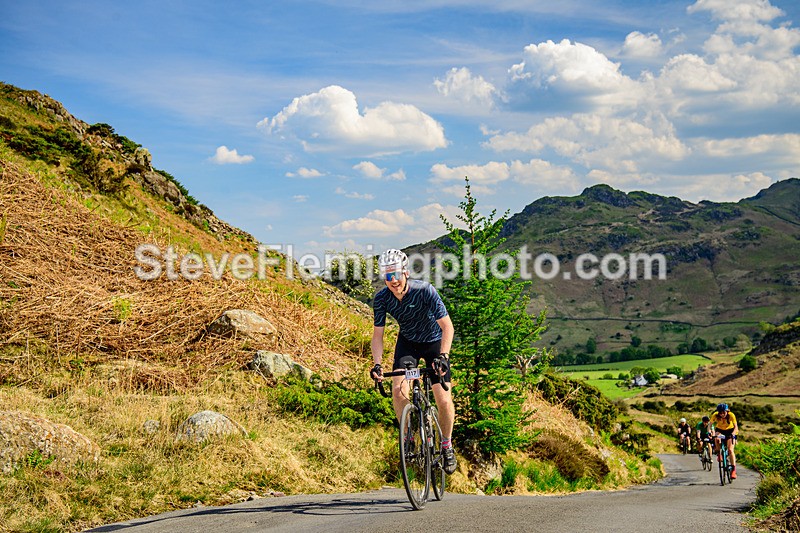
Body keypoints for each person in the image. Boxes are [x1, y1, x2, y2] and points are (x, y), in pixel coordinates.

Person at [370, 249, 457, 475]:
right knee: (398, 391)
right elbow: (377, 336)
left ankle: (446, 445)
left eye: (397, 274)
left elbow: (447, 327)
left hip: (433, 344)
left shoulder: (425, 291)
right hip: (407, 343)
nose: (393, 281)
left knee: (444, 400)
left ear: (406, 272)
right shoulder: (382, 299)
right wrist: (377, 364)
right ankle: (408, 434)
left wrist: (443, 357)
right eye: (388, 276)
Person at [710, 403, 739, 479]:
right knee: (716, 437)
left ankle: (733, 470)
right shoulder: (715, 415)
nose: (722, 414)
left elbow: (736, 427)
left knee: (730, 450)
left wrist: (733, 434)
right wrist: (710, 432)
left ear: (727, 411)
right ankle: (719, 453)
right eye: (720, 413)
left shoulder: (731, 415)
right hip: (720, 430)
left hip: (730, 431)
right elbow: (710, 425)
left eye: (724, 412)